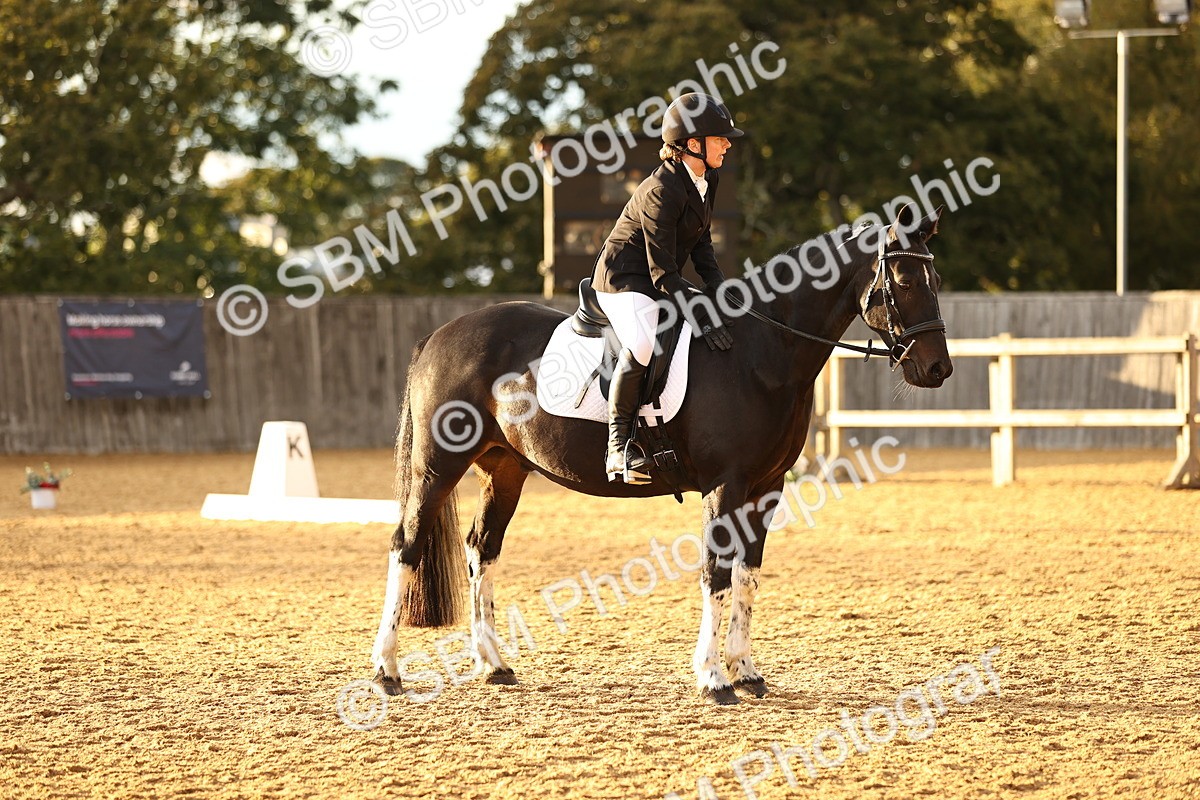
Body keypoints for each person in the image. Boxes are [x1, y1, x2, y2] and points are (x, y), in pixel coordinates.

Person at [591, 92, 741, 484]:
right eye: (720, 138)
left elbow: (702, 245)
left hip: (658, 276)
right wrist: (703, 312)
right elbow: (663, 274)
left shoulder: (708, 178)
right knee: (642, 342)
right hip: (624, 278)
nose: (727, 143)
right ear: (693, 144)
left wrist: (720, 288)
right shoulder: (661, 190)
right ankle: (617, 448)